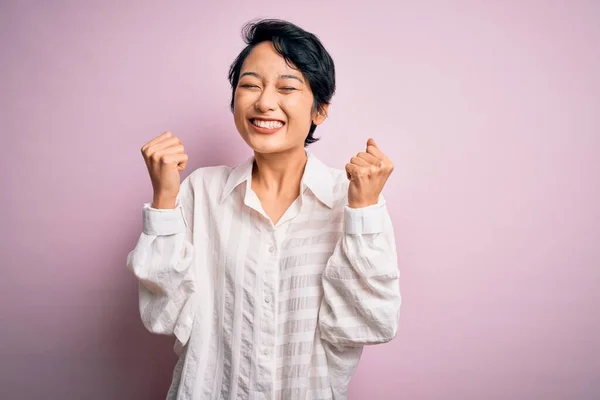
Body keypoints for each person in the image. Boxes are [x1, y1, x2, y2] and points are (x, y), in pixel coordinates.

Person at [127, 18, 401, 400]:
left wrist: (363, 211)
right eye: (250, 85)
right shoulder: (201, 192)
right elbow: (163, 316)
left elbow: (370, 323)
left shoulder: (353, 198)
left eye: (287, 87)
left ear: (320, 109)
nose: (264, 102)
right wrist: (163, 200)